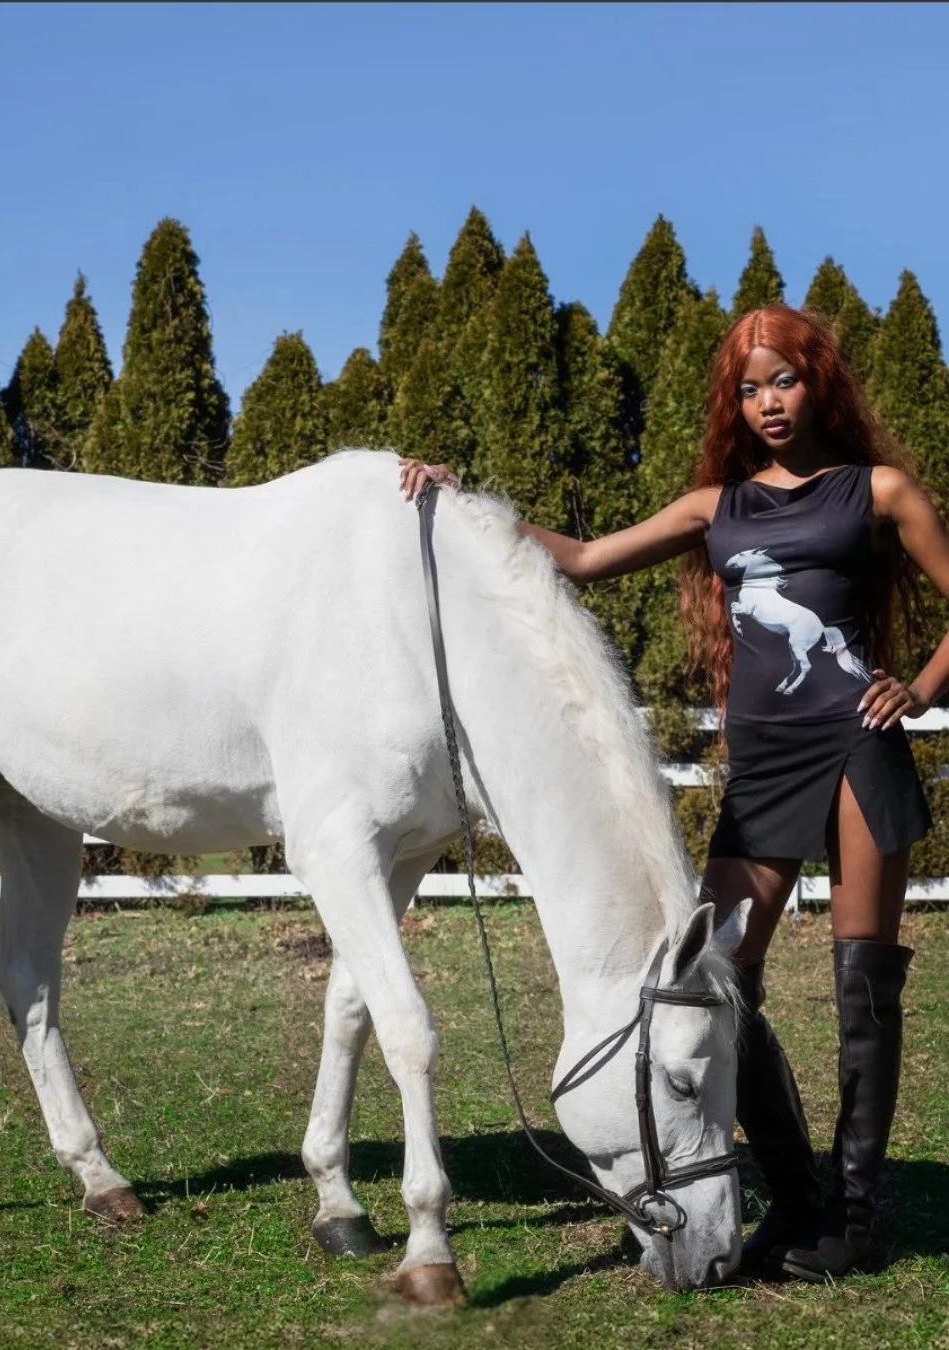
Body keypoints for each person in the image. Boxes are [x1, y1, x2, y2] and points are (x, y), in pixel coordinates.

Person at [397, 303, 949, 1281]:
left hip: (860, 748)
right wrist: (459, 501)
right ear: (733, 403)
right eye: (750, 387)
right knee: (722, 982)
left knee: (866, 986)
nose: (769, 401)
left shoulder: (880, 490)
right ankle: (795, 1192)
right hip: (765, 762)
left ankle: (860, 1218)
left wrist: (920, 685)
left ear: (817, 380)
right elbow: (583, 557)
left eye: (784, 379)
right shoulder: (715, 509)